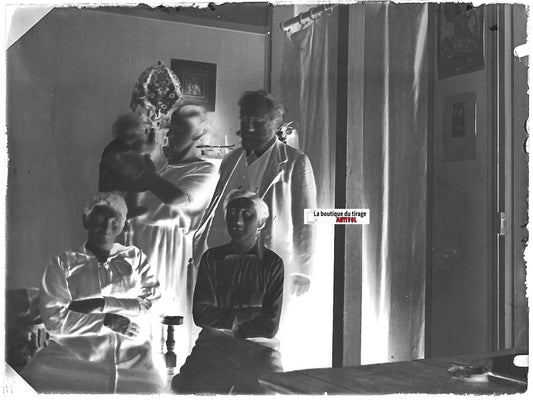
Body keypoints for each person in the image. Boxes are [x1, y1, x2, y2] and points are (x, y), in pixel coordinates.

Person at [21, 193, 164, 393]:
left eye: (115, 222)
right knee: (29, 385)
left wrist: (101, 304)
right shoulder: (63, 264)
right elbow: (54, 320)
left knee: (155, 391)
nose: (106, 228)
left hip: (133, 361)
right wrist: (106, 320)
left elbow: (153, 304)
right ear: (85, 220)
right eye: (99, 219)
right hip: (70, 360)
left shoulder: (135, 258)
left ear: (123, 226)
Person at [120, 104, 218, 364]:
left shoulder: (205, 170)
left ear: (198, 135)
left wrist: (143, 172)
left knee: (160, 321)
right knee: (134, 318)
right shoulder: (163, 168)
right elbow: (131, 206)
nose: (171, 133)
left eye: (180, 129)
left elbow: (175, 198)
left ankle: (162, 378)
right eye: (170, 126)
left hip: (168, 251)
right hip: (140, 246)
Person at [173, 190, 284, 394]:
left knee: (264, 393)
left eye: (247, 214)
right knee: (183, 388)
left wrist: (224, 320)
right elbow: (201, 315)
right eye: (232, 214)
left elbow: (269, 327)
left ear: (260, 223)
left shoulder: (272, 263)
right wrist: (249, 313)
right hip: (213, 346)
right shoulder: (212, 258)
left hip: (260, 351)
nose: (237, 220)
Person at [98, 113, 156, 218]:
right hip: (112, 191)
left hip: (113, 191)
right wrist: (147, 156)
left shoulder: (117, 146)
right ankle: (126, 213)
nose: (136, 139)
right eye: (133, 136)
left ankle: (127, 212)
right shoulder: (119, 151)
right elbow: (139, 171)